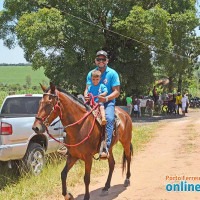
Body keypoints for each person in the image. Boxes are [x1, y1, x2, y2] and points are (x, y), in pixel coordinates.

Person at [84, 50, 120, 158]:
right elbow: (87, 89)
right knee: (78, 115)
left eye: (103, 59)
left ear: (107, 60)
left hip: (107, 102)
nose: (101, 61)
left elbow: (117, 91)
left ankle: (105, 147)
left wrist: (105, 98)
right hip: (92, 101)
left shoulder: (112, 73)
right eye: (98, 59)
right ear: (95, 60)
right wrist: (86, 95)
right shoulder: (91, 73)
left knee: (108, 119)